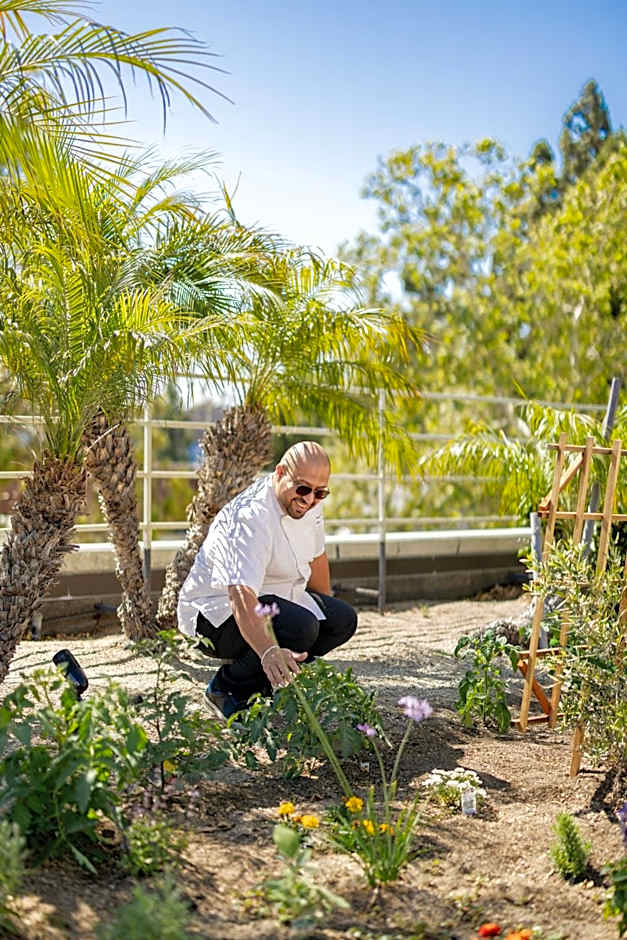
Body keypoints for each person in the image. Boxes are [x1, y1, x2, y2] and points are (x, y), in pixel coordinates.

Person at [177, 440, 358, 717]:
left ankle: (264, 684)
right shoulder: (251, 517)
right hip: (216, 617)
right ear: (280, 472)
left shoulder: (308, 504)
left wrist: (325, 609)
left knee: (341, 620)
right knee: (301, 627)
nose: (310, 499)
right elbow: (240, 596)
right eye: (303, 489)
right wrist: (268, 651)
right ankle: (227, 689)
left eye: (320, 492)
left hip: (276, 601)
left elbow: (316, 557)